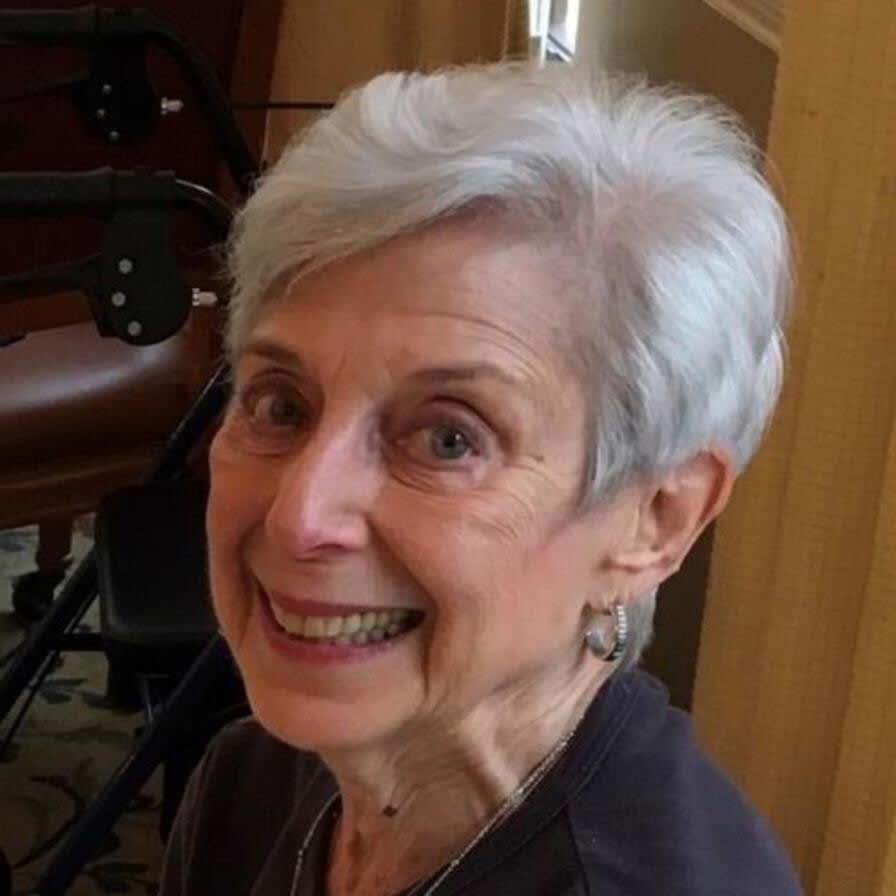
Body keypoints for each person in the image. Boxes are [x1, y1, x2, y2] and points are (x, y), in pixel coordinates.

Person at [159, 62, 802, 895]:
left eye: (449, 438)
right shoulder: (259, 777)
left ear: (656, 520)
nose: (298, 516)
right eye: (281, 406)